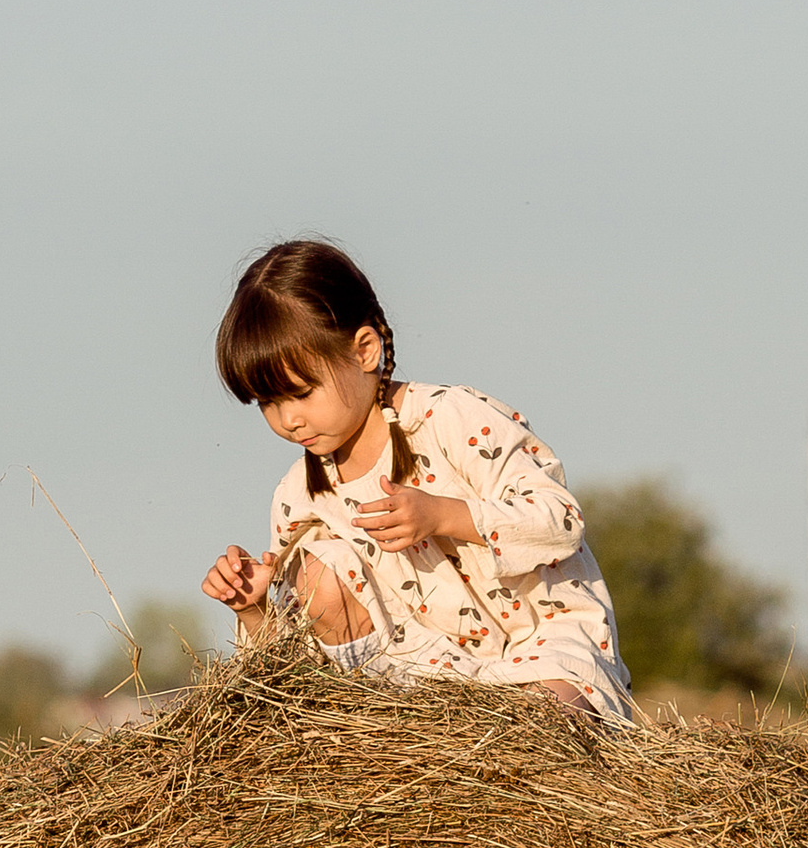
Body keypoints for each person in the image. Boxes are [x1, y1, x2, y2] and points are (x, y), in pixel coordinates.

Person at [198, 238, 635, 724]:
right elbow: (292, 669)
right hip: (425, 687)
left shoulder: (451, 419)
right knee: (317, 572)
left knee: (541, 727)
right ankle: (384, 729)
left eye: (300, 393)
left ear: (365, 350)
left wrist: (444, 514)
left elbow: (560, 523)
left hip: (542, 643)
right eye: (267, 403)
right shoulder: (297, 497)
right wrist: (255, 609)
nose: (288, 419)